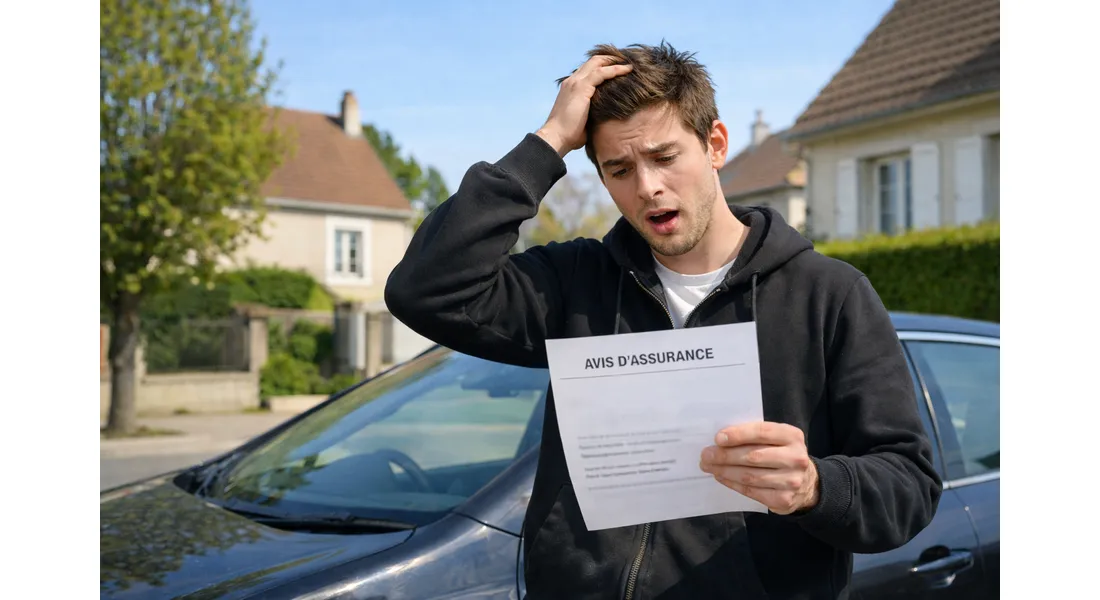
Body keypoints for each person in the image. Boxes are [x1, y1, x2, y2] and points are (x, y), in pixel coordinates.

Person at [385, 42, 942, 600]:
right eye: (620, 169)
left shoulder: (829, 295)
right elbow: (424, 290)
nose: (647, 187)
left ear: (715, 145)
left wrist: (816, 486)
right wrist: (549, 141)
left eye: (665, 156)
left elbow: (909, 487)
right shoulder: (576, 281)